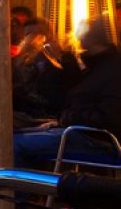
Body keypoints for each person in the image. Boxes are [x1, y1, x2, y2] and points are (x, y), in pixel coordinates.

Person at [14, 25, 121, 172]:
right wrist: (60, 62)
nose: (77, 43)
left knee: (16, 144)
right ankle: (35, 190)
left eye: (80, 38)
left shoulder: (111, 70)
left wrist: (69, 117)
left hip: (100, 141)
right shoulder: (97, 67)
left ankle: (28, 192)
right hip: (83, 132)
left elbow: (109, 118)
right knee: (16, 136)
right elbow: (70, 96)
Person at [11, 18, 79, 125]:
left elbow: (70, 87)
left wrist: (56, 61)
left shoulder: (64, 58)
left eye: (39, 34)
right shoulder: (17, 63)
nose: (33, 39)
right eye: (28, 35)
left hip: (54, 117)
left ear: (50, 35)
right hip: (28, 116)